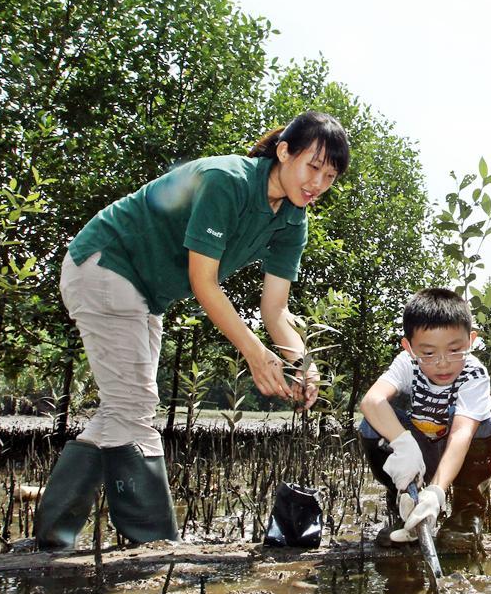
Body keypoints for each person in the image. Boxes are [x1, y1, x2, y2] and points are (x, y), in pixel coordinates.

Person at [35, 110, 350, 550]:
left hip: (144, 293)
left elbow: (275, 311)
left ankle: (52, 538)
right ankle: (157, 552)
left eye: (330, 176)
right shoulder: (228, 180)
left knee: (120, 411)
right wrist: (256, 355)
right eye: (312, 167)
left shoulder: (293, 220)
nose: (317, 183)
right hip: (106, 263)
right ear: (283, 152)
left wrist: (302, 364)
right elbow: (204, 283)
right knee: (135, 404)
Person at [359, 288, 491, 552]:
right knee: (372, 423)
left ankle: (465, 515)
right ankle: (405, 503)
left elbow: (462, 434)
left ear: (471, 340)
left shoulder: (474, 374)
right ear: (409, 347)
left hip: (456, 452)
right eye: (428, 353)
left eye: (455, 350)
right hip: (415, 453)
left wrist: (437, 490)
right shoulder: (406, 363)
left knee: (482, 425)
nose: (442, 363)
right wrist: (403, 444)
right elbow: (372, 401)